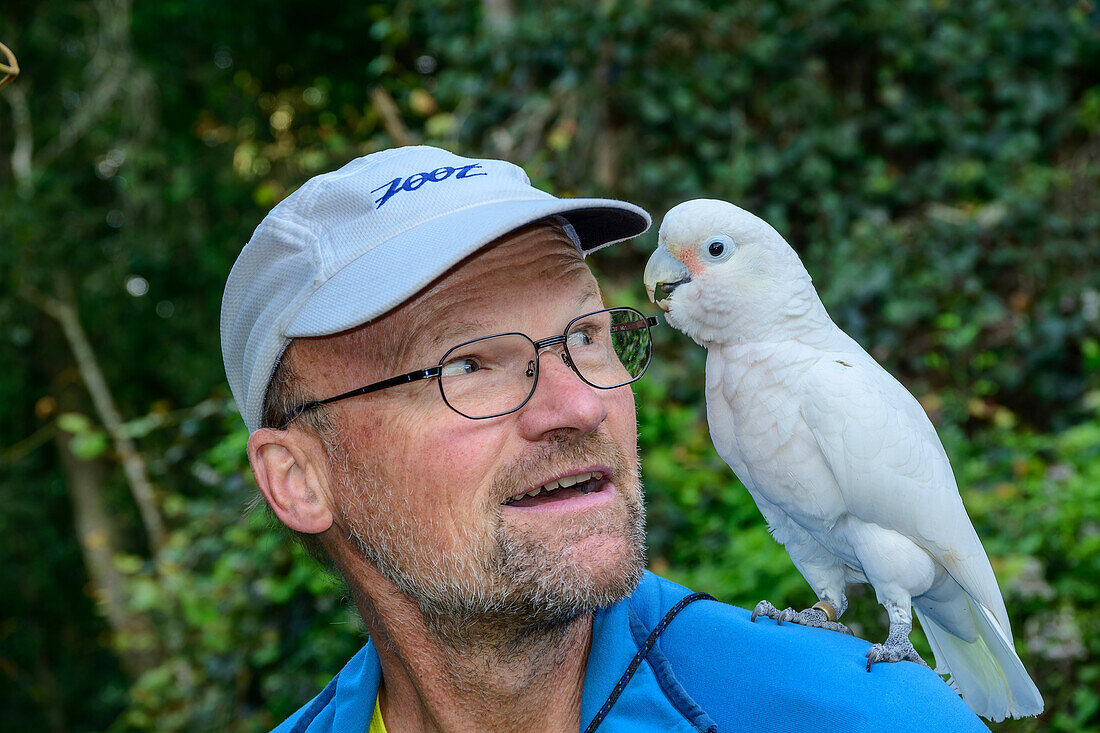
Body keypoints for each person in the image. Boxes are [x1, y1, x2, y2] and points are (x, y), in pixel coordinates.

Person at [221, 146, 986, 732]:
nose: (582, 403)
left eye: (587, 335)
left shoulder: (863, 716)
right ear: (298, 478)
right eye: (469, 364)